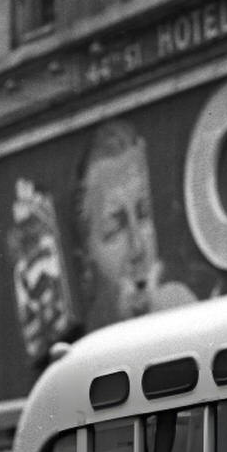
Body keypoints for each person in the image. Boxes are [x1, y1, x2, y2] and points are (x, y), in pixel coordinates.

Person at [72, 120, 197, 332]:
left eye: (143, 214)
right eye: (114, 229)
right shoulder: (75, 355)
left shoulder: (183, 308)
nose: (138, 248)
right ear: (85, 262)